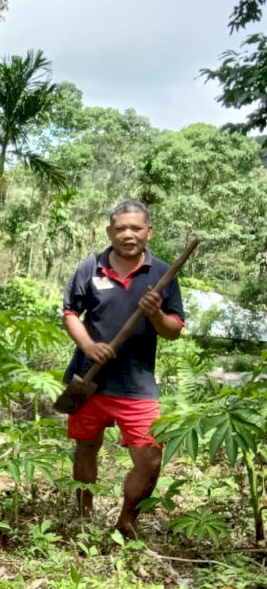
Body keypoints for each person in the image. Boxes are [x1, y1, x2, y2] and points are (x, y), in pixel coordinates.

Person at [61, 200, 185, 537]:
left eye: (135, 228)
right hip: (89, 381)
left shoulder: (162, 274)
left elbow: (174, 330)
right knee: (86, 447)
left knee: (150, 460)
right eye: (120, 228)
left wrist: (156, 314)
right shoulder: (90, 268)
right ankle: (83, 518)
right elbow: (70, 312)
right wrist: (89, 346)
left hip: (138, 385)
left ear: (148, 231)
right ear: (109, 231)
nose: (128, 234)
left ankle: (126, 523)